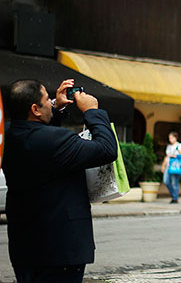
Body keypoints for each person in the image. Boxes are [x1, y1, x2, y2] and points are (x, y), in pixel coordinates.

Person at [3, 79, 117, 283]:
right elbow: (106, 150)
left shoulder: (9, 136)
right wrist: (92, 112)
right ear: (35, 109)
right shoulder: (57, 140)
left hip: (24, 248)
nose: (51, 102)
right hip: (60, 251)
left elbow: (37, 134)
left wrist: (56, 106)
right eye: (48, 99)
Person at [161, 131, 181, 203]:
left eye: (171, 137)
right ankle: (173, 195)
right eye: (169, 138)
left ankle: (175, 198)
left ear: (175, 138)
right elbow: (166, 157)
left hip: (176, 166)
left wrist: (174, 156)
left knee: (174, 182)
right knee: (166, 181)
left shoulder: (180, 146)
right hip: (168, 166)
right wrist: (163, 165)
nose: (170, 139)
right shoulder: (169, 146)